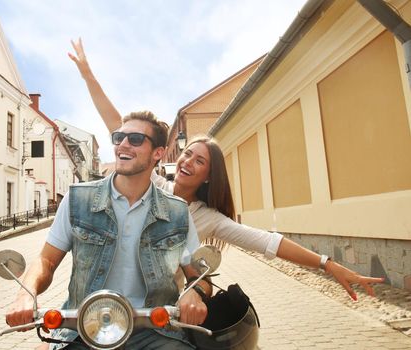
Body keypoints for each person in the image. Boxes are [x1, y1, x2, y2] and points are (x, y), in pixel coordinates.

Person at [68, 38, 384, 301]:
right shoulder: (153, 184)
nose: (187, 161)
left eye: (199, 161)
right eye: (187, 154)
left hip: (159, 310)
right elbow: (118, 125)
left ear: (209, 176)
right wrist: (87, 75)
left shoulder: (210, 219)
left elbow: (268, 242)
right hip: (109, 299)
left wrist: (328, 264)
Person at [6, 111, 211, 349]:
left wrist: (195, 293)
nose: (123, 144)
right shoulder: (77, 199)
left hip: (155, 331)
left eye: (135, 139)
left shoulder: (177, 212)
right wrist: (25, 294)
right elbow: (46, 261)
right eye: (119, 137)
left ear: (158, 153)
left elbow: (200, 276)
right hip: (84, 328)